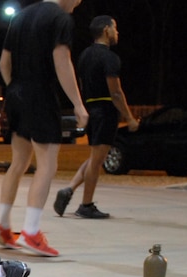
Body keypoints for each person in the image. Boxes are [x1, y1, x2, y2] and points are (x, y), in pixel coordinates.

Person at [0, 0, 88, 257]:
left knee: (19, 162)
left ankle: (2, 225)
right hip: (41, 95)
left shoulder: (20, 17)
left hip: (16, 94)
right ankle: (31, 233)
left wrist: (16, 90)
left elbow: (3, 63)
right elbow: (62, 60)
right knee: (47, 164)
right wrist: (78, 104)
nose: (77, 4)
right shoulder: (60, 19)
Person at [53, 16, 140, 220]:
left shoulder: (84, 55)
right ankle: (86, 204)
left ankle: (69, 188)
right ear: (106, 30)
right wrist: (129, 117)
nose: (117, 33)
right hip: (105, 110)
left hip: (91, 108)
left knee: (94, 157)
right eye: (115, 28)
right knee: (97, 161)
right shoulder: (110, 58)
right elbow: (116, 92)